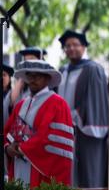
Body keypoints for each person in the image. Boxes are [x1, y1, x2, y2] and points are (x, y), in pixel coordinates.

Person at [4, 60, 74, 188]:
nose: (33, 79)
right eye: (30, 75)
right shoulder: (20, 104)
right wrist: (7, 148)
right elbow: (7, 132)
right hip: (18, 165)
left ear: (48, 78)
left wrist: (21, 148)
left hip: (40, 171)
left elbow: (48, 137)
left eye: (38, 75)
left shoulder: (58, 104)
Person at [57, 29, 109, 188]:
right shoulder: (62, 71)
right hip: (65, 130)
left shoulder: (93, 69)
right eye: (67, 46)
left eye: (75, 44)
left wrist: (73, 118)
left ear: (84, 47)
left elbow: (96, 102)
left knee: (89, 172)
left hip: (85, 130)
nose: (71, 48)